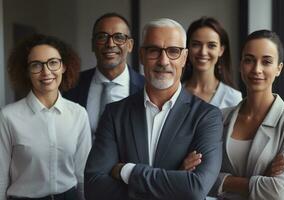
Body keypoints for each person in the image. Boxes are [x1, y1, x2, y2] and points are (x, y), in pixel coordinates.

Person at [84, 18, 223, 200]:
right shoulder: (115, 114)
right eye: (154, 51)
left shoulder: (206, 116)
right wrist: (174, 179)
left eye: (173, 51)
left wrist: (127, 171)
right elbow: (94, 187)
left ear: (184, 57)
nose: (163, 61)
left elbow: (195, 189)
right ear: (141, 55)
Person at [206, 30, 284, 199]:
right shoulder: (220, 117)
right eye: (249, 60)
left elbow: (278, 190)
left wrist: (225, 181)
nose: (257, 69)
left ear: (279, 68)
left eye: (266, 62)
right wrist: (262, 177)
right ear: (241, 65)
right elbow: (202, 179)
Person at [0, 34, 92, 200]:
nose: (46, 72)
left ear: (63, 66)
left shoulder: (79, 114)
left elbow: (82, 173)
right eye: (36, 65)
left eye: (53, 63)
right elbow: (0, 177)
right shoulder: (8, 117)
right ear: (27, 71)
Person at [64, 12, 144, 135]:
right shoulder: (71, 84)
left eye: (119, 37)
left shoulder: (146, 88)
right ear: (92, 44)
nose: (110, 44)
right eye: (102, 37)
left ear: (130, 45)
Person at [182, 17, 242, 108]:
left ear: (221, 50)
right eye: (196, 45)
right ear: (187, 48)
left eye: (211, 46)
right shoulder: (174, 93)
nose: (203, 52)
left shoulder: (233, 98)